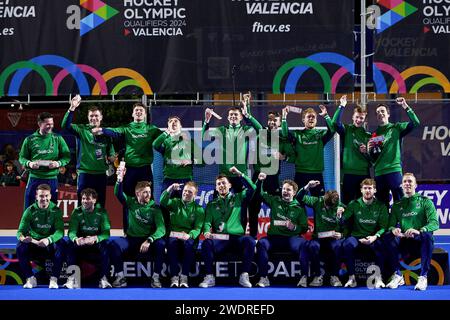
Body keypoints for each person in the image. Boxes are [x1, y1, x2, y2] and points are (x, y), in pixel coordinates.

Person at [109, 164, 166, 288]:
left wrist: (150, 240)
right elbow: (118, 194)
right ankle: (120, 277)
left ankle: (156, 278)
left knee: (161, 244)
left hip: (147, 240)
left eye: (149, 192)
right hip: (131, 239)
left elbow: (161, 229)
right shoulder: (130, 202)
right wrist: (119, 179)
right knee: (113, 244)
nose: (148, 195)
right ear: (137, 193)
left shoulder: (154, 208)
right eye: (145, 192)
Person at [199, 166, 256, 288]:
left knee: (250, 241)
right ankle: (209, 277)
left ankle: (244, 275)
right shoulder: (211, 205)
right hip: (220, 240)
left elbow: (253, 188)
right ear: (216, 187)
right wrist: (206, 232)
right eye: (218, 184)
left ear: (229, 185)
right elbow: (207, 223)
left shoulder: (239, 198)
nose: (221, 186)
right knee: (206, 243)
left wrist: (240, 174)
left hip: (237, 239)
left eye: (223, 183)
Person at [385, 173, 439, 291]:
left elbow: (435, 223)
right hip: (404, 241)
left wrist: (420, 231)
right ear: (402, 186)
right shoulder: (397, 206)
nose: (407, 184)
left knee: (427, 235)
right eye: (405, 182)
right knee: (388, 236)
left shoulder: (425, 202)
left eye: (410, 181)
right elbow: (390, 226)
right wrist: (394, 230)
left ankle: (423, 276)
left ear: (415, 185)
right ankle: (398, 275)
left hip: (420, 240)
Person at [61, 95, 116, 207]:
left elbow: (111, 154)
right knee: (83, 204)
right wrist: (72, 108)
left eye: (96, 115)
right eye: (91, 116)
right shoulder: (81, 130)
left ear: (101, 117)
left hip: (101, 174)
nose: (93, 118)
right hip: (84, 174)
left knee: (100, 205)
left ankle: (100, 224)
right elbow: (65, 126)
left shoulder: (106, 134)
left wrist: (112, 158)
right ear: (88, 117)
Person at [255, 173, 308, 288]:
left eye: (288, 190)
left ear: (294, 193)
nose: (285, 191)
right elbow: (261, 194)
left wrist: (294, 227)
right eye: (284, 189)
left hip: (292, 238)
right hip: (274, 238)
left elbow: (304, 228)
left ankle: (304, 278)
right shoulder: (275, 201)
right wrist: (260, 181)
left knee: (304, 244)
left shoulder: (299, 208)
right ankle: (264, 278)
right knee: (262, 243)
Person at [202, 93, 262, 193]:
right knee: (221, 205)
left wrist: (248, 115)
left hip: (240, 174)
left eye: (236, 114)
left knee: (242, 205)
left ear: (241, 117)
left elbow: (260, 130)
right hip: (224, 176)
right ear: (228, 117)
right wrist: (206, 121)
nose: (233, 116)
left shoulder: (246, 130)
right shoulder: (221, 130)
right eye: (231, 115)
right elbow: (204, 136)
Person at [248, 110, 295, 237]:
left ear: (279, 123)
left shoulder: (282, 139)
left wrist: (283, 157)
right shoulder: (261, 133)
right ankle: (253, 237)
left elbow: (293, 156)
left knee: (278, 207)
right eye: (270, 119)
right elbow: (250, 120)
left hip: (273, 178)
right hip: (258, 176)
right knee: (253, 208)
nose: (272, 121)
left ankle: (278, 235)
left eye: (275, 120)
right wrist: (247, 109)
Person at [368, 97, 420, 208]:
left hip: (394, 170)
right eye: (378, 112)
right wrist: (368, 150)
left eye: (382, 111)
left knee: (399, 202)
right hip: (379, 173)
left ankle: (401, 225)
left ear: (388, 114)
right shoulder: (374, 134)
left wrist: (405, 106)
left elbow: (415, 123)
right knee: (382, 205)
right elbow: (373, 158)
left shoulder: (396, 128)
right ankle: (386, 226)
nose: (380, 113)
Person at [296, 180, 346, 287]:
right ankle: (317, 276)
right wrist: (308, 186)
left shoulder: (341, 207)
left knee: (338, 246)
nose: (328, 208)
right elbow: (299, 198)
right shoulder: (317, 201)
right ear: (324, 198)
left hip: (333, 239)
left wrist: (342, 233)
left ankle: (334, 276)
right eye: (326, 205)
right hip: (318, 238)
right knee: (313, 246)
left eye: (330, 207)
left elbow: (348, 226)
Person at [340, 178, 389, 288]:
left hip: (372, 237)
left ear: (375, 190)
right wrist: (339, 214)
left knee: (381, 245)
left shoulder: (381, 206)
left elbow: (383, 227)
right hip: (356, 237)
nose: (367, 191)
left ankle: (378, 278)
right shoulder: (354, 204)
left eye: (370, 188)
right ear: (361, 190)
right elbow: (343, 219)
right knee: (347, 244)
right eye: (365, 188)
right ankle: (351, 278)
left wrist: (374, 237)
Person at [16, 184, 65, 289]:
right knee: (20, 246)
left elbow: (60, 232)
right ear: (36, 197)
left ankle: (54, 278)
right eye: (41, 196)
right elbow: (20, 232)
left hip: (49, 243)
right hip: (34, 243)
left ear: (50, 196)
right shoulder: (29, 211)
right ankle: (30, 278)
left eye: (46, 196)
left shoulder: (56, 210)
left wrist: (48, 240)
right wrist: (24, 238)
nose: (44, 199)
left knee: (62, 244)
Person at [19, 112, 71, 209]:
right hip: (34, 178)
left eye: (52, 124)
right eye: (47, 124)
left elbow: (67, 156)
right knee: (29, 208)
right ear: (39, 124)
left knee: (52, 209)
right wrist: (30, 164)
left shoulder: (58, 138)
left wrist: (58, 163)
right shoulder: (29, 139)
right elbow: (22, 158)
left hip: (52, 179)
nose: (50, 126)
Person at [281, 104, 335, 197]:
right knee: (298, 202)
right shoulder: (297, 134)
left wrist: (326, 115)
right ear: (303, 120)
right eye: (308, 117)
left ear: (316, 120)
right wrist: (284, 118)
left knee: (319, 203)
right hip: (301, 173)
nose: (311, 118)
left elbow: (332, 130)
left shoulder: (321, 135)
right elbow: (285, 134)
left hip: (316, 174)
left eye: (313, 117)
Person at [64, 188, 113, 289]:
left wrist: (95, 238)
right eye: (83, 199)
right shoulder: (76, 212)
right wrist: (76, 239)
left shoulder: (102, 212)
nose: (85, 201)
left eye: (88, 199)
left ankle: (103, 279)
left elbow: (106, 233)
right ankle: (71, 279)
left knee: (106, 247)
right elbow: (71, 231)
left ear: (94, 200)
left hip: (95, 241)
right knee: (70, 246)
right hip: (81, 241)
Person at [160, 182, 205, 288]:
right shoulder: (175, 203)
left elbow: (198, 228)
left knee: (189, 246)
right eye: (185, 191)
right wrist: (170, 189)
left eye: (190, 192)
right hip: (174, 235)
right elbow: (162, 202)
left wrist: (190, 235)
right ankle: (174, 277)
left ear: (195, 194)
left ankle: (184, 276)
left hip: (188, 236)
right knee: (172, 244)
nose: (186, 193)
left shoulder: (199, 209)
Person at [332, 95, 372, 204]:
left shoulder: (369, 136)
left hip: (364, 174)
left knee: (364, 204)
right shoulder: (347, 130)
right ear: (353, 117)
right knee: (347, 204)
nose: (359, 120)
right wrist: (342, 106)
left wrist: (367, 152)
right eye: (357, 117)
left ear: (365, 119)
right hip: (348, 174)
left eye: (361, 118)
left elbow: (373, 159)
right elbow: (335, 123)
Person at [152, 116, 198, 195]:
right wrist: (166, 132)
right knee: (165, 205)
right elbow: (155, 145)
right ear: (168, 126)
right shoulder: (165, 141)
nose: (173, 122)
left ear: (180, 126)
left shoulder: (189, 141)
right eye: (170, 121)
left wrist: (191, 161)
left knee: (185, 204)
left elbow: (202, 160)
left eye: (176, 121)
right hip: (168, 179)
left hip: (185, 178)